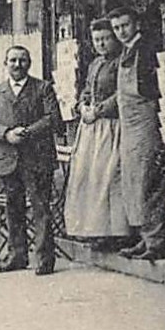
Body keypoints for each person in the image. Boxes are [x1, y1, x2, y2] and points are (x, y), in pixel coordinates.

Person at [0, 44, 63, 275]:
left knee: (40, 208)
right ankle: (17, 255)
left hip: (37, 158)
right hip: (8, 158)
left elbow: (53, 118)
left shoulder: (43, 88)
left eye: (23, 60)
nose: (17, 65)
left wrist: (26, 132)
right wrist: (7, 134)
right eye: (13, 60)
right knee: (13, 208)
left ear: (30, 63)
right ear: (5, 64)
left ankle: (44, 259)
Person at [109, 6, 165, 260]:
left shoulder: (146, 49)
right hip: (128, 126)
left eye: (125, 25)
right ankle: (144, 238)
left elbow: (160, 87)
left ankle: (156, 242)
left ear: (136, 24)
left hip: (145, 124)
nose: (121, 31)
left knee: (148, 181)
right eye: (116, 28)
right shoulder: (125, 52)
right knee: (133, 183)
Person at [63, 19, 131, 244]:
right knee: (88, 177)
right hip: (90, 128)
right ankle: (93, 229)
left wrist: (99, 111)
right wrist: (82, 106)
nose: (102, 44)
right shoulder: (94, 64)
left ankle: (114, 233)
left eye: (106, 39)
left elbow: (122, 94)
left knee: (108, 177)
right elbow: (85, 89)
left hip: (111, 127)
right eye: (97, 40)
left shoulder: (122, 62)